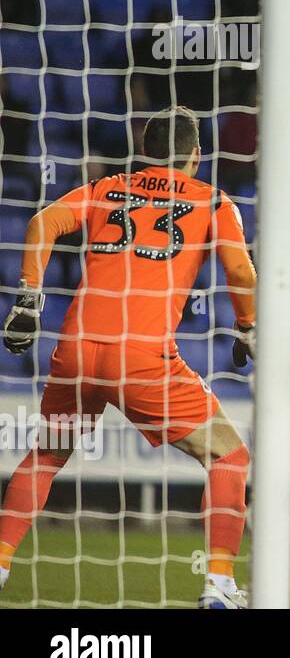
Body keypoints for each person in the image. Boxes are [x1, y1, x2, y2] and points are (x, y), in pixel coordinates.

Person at [0, 107, 257, 609]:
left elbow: (42, 222)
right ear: (197, 156)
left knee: (47, 456)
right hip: (141, 357)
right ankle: (219, 585)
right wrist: (247, 328)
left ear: (145, 153)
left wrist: (29, 299)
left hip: (75, 350)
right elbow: (243, 274)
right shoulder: (212, 201)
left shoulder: (105, 188)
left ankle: (1, 562)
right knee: (230, 455)